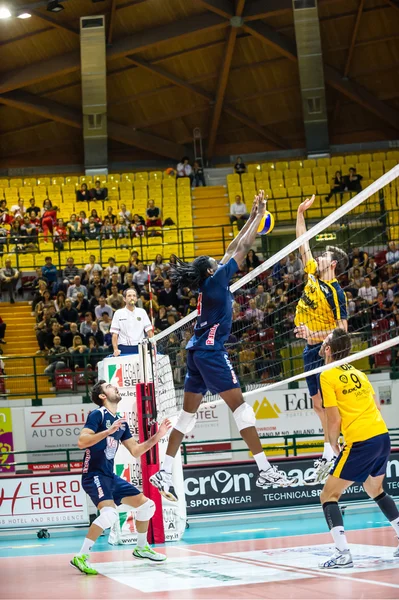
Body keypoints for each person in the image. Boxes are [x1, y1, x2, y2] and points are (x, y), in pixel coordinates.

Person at [150, 191, 293, 502]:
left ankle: (163, 472)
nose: (221, 259)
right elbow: (241, 248)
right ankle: (265, 469)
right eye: (217, 262)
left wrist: (254, 216)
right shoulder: (217, 283)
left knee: (186, 418)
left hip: (196, 352)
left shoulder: (210, 283)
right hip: (212, 353)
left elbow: (231, 248)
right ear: (212, 270)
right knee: (242, 410)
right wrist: (259, 216)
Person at [70, 380, 171, 574]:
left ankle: (141, 548)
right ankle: (81, 556)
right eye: (109, 386)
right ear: (102, 396)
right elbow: (82, 442)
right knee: (109, 515)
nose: (114, 387)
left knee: (147, 505)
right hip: (93, 475)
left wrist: (158, 436)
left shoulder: (121, 422)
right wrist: (107, 432)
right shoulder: (97, 414)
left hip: (110, 476)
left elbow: (135, 450)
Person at [317, 328, 399, 568]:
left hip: (362, 441)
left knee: (328, 495)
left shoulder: (326, 374)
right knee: (375, 488)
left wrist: (332, 443)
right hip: (381, 435)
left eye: (325, 340)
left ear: (330, 349)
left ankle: (343, 554)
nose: (322, 343)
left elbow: (333, 418)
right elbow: (377, 408)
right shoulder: (360, 373)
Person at [293, 195, 349, 485]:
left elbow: (342, 332)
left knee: (328, 406)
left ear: (334, 263)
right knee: (316, 405)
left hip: (326, 352)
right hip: (308, 350)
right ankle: (330, 450)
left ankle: (332, 452)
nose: (319, 257)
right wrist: (300, 213)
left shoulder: (337, 292)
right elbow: (302, 244)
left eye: (325, 255)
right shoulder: (313, 274)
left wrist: (314, 335)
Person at [110, 289, 153, 356]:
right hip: (124, 347)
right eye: (129, 296)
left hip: (141, 347)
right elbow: (115, 334)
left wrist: (153, 348)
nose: (132, 298)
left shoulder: (142, 312)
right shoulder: (118, 313)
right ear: (124, 299)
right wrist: (115, 350)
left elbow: (149, 331)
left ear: (136, 299)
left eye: (134, 296)